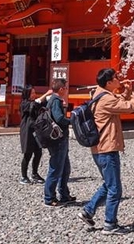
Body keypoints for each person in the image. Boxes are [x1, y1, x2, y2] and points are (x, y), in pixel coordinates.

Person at [78, 68, 134, 235]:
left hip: (99, 149)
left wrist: (127, 92)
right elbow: (129, 107)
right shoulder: (106, 98)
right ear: (108, 82)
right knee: (115, 188)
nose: (119, 79)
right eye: (116, 78)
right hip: (107, 148)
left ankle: (88, 211)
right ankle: (110, 224)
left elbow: (117, 104)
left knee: (108, 184)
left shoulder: (99, 94)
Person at [44, 78, 74, 206]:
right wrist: (71, 120)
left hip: (59, 138)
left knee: (65, 168)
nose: (66, 90)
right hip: (58, 139)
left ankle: (64, 194)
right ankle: (49, 197)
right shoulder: (56, 101)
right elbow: (59, 118)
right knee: (56, 168)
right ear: (61, 89)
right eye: (65, 88)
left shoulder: (52, 100)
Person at [18, 86, 45, 185]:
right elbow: (33, 105)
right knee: (28, 154)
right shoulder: (24, 104)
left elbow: (40, 105)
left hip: (36, 131)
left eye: (34, 92)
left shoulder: (34, 103)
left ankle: (34, 173)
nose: (34, 94)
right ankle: (23, 176)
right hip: (27, 131)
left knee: (38, 152)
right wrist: (45, 94)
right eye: (32, 93)